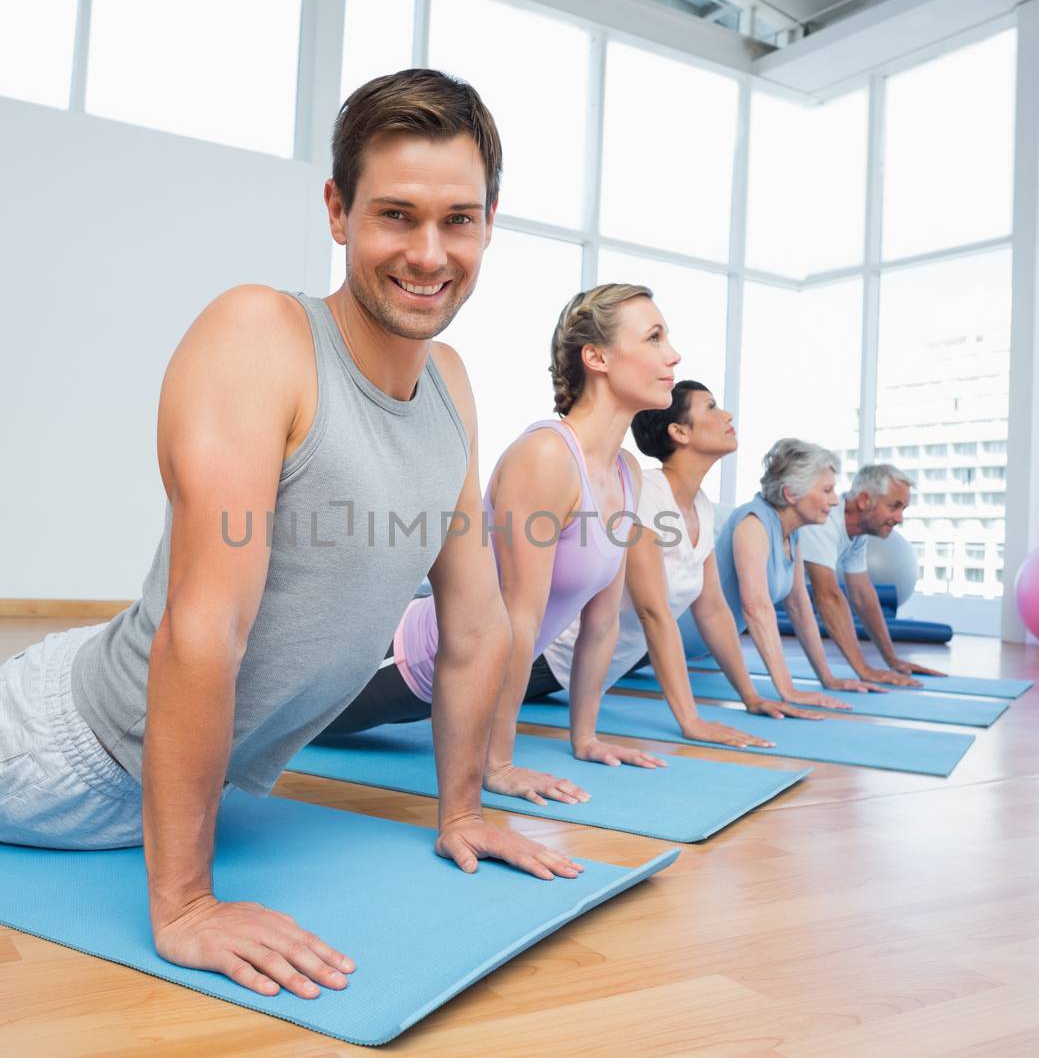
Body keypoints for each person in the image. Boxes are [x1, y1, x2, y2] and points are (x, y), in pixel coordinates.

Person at [0, 68, 580, 1002]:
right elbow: (203, 628)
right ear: (337, 212)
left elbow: (472, 625)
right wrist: (184, 906)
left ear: (490, 223)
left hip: (135, 703)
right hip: (71, 763)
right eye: (396, 215)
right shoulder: (261, 337)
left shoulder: (451, 383)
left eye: (458, 219)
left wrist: (463, 810)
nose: (429, 252)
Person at [320, 283, 683, 804]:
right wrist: (497, 764)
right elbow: (517, 621)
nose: (673, 353)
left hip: (455, 686)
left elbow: (602, 623)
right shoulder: (546, 458)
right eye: (654, 337)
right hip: (400, 660)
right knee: (259, 724)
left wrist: (585, 738)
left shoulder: (626, 473)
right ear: (597, 356)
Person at [542, 380, 781, 747]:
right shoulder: (646, 495)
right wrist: (691, 721)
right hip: (547, 658)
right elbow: (652, 613)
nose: (727, 415)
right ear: (679, 431)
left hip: (589, 675)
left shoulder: (700, 505)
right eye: (712, 407)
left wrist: (751, 697)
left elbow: (714, 611)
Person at [713, 438, 886, 714]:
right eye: (827, 490)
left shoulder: (792, 533)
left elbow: (799, 606)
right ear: (791, 494)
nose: (834, 500)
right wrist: (787, 689)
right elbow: (756, 607)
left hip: (702, 648)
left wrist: (827, 678)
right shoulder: (753, 522)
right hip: (658, 642)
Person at [796, 463, 946, 686]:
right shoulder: (825, 519)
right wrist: (864, 670)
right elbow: (828, 597)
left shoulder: (856, 534)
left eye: (903, 509)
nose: (899, 518)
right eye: (894, 506)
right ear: (865, 500)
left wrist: (892, 660)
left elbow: (863, 596)